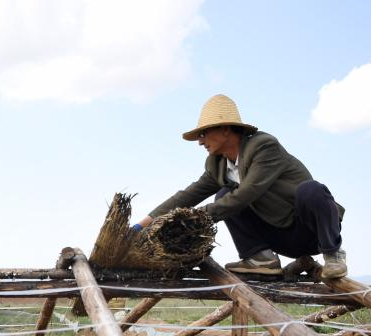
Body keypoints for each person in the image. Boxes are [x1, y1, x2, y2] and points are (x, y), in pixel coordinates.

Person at [135, 94, 347, 278]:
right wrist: (141, 226)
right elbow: (186, 196)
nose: (200, 142)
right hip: (277, 236)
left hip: (309, 232)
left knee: (311, 190)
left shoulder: (264, 147)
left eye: (203, 134)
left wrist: (188, 220)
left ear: (225, 129)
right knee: (224, 194)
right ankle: (261, 259)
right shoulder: (217, 164)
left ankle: (333, 255)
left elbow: (246, 194)